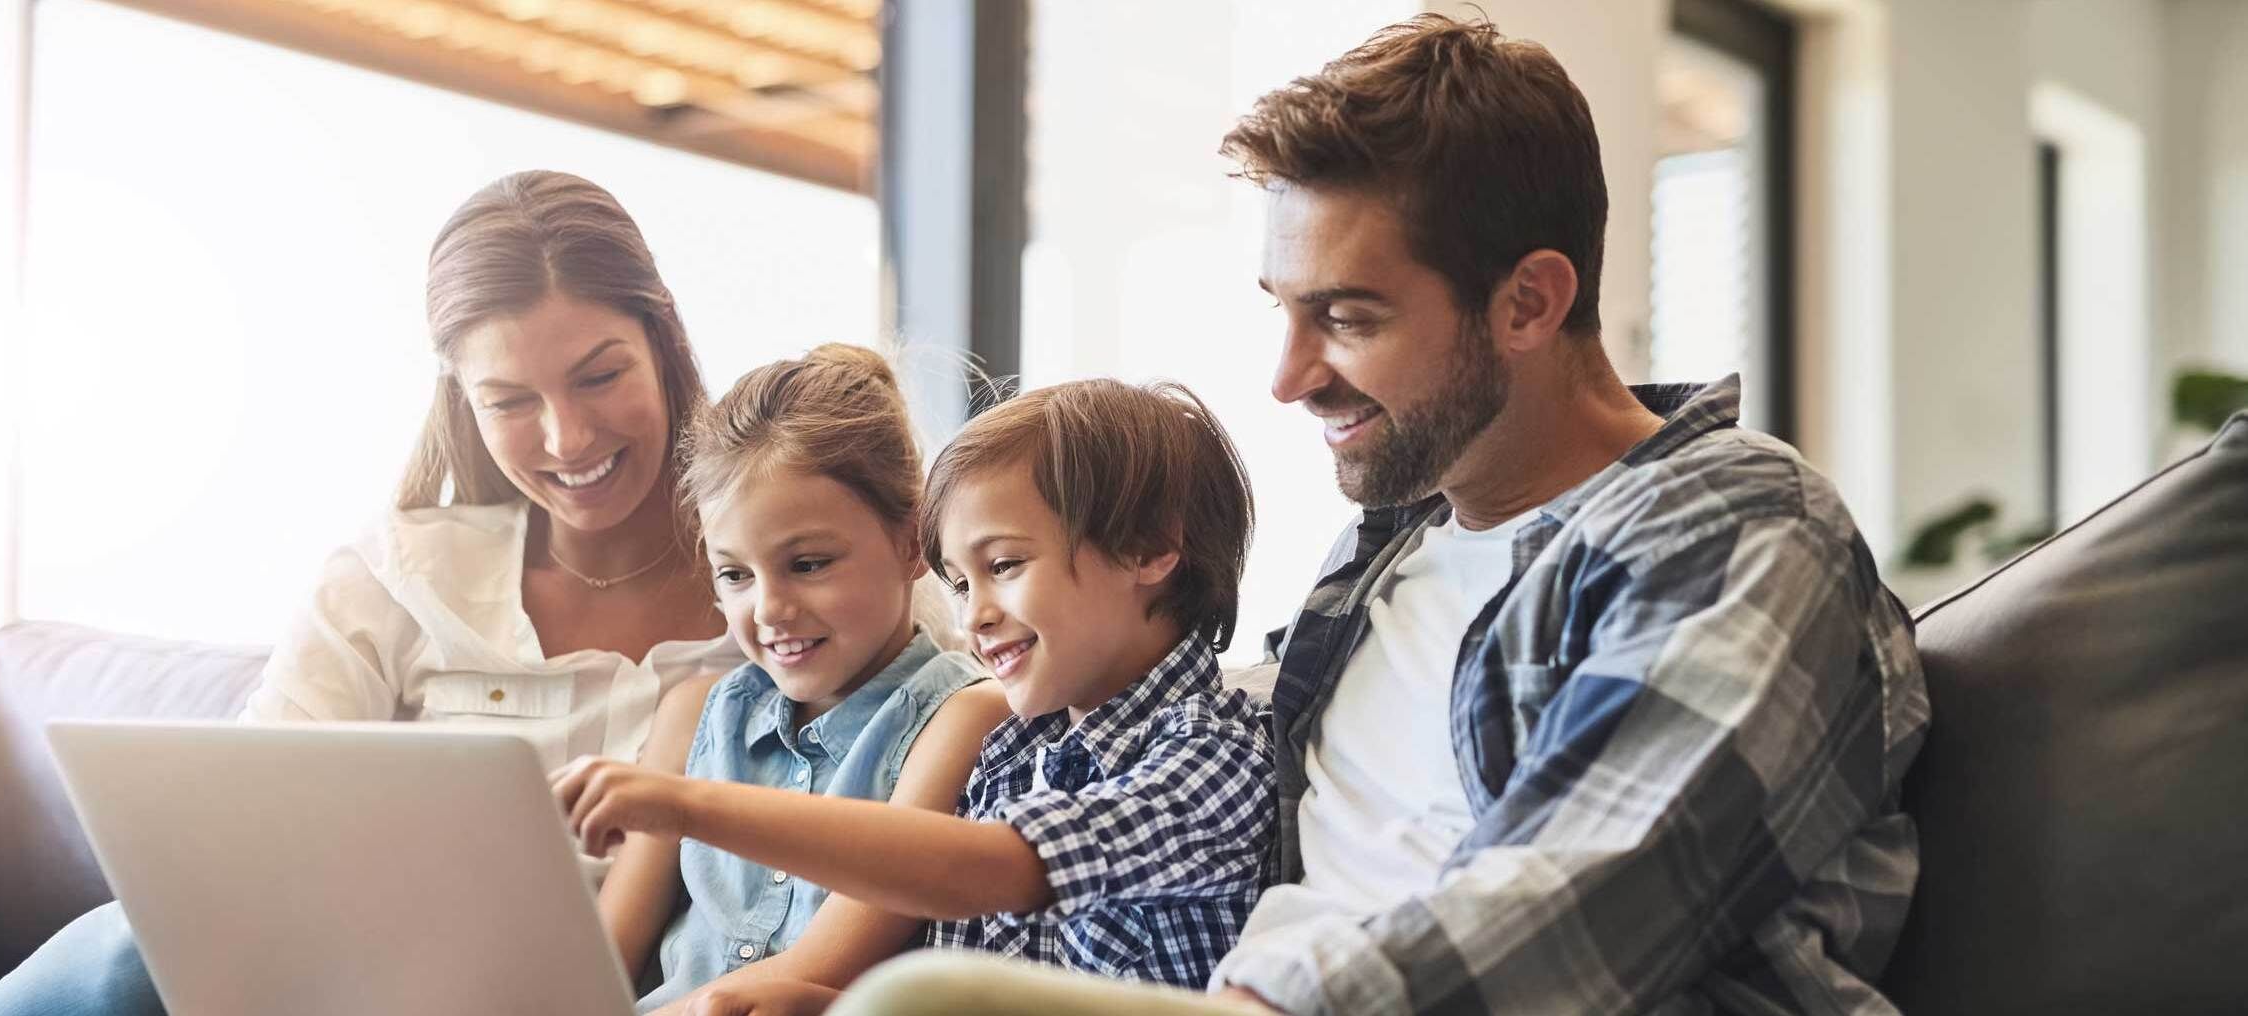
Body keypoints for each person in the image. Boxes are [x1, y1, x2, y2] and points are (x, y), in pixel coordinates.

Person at [829, 13, 1928, 1016]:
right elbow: (1203, 742)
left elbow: (1593, 892)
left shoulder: (1733, 528)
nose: (1288, 376)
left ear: (1528, 301)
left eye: (1346, 317)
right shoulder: (1384, 551)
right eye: (1283, 310)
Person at [0, 170, 746, 1015]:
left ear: (663, 339)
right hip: (344, 982)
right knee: (142, 948)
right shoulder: (401, 576)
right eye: (508, 400)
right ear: (462, 401)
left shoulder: (786, 599)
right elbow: (243, 822)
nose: (566, 436)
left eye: (598, 376)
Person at [561, 378, 1276, 1008]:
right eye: (961, 583)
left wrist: (686, 803)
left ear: (1148, 549)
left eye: (1004, 565)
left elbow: (989, 868)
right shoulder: (1021, 750)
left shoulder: (1212, 756)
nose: (974, 616)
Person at [581, 343, 1011, 1014]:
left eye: (808, 564)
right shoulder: (695, 713)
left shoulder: (963, 714)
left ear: (911, 540)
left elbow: (825, 963)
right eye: (735, 575)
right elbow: (601, 956)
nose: (770, 609)